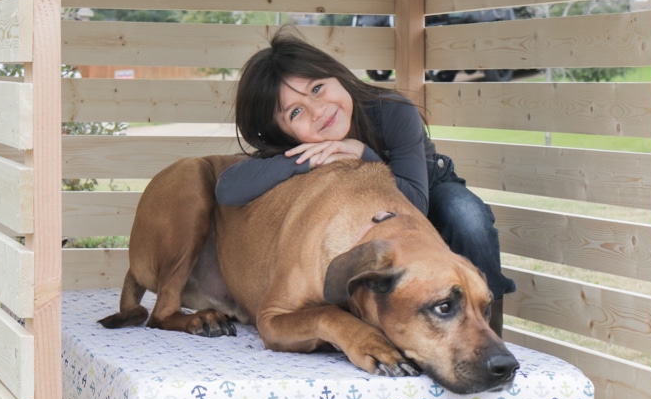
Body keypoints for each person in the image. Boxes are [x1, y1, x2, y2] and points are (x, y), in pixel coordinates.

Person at [215, 29, 515, 334]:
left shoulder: (392, 109)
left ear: (338, 75)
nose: (318, 111)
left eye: (317, 89)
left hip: (422, 191)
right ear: (284, 133)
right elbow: (227, 188)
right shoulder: (301, 150)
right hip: (363, 220)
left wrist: (365, 155)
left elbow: (415, 202)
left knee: (465, 213)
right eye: (295, 112)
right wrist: (305, 159)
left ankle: (491, 327)